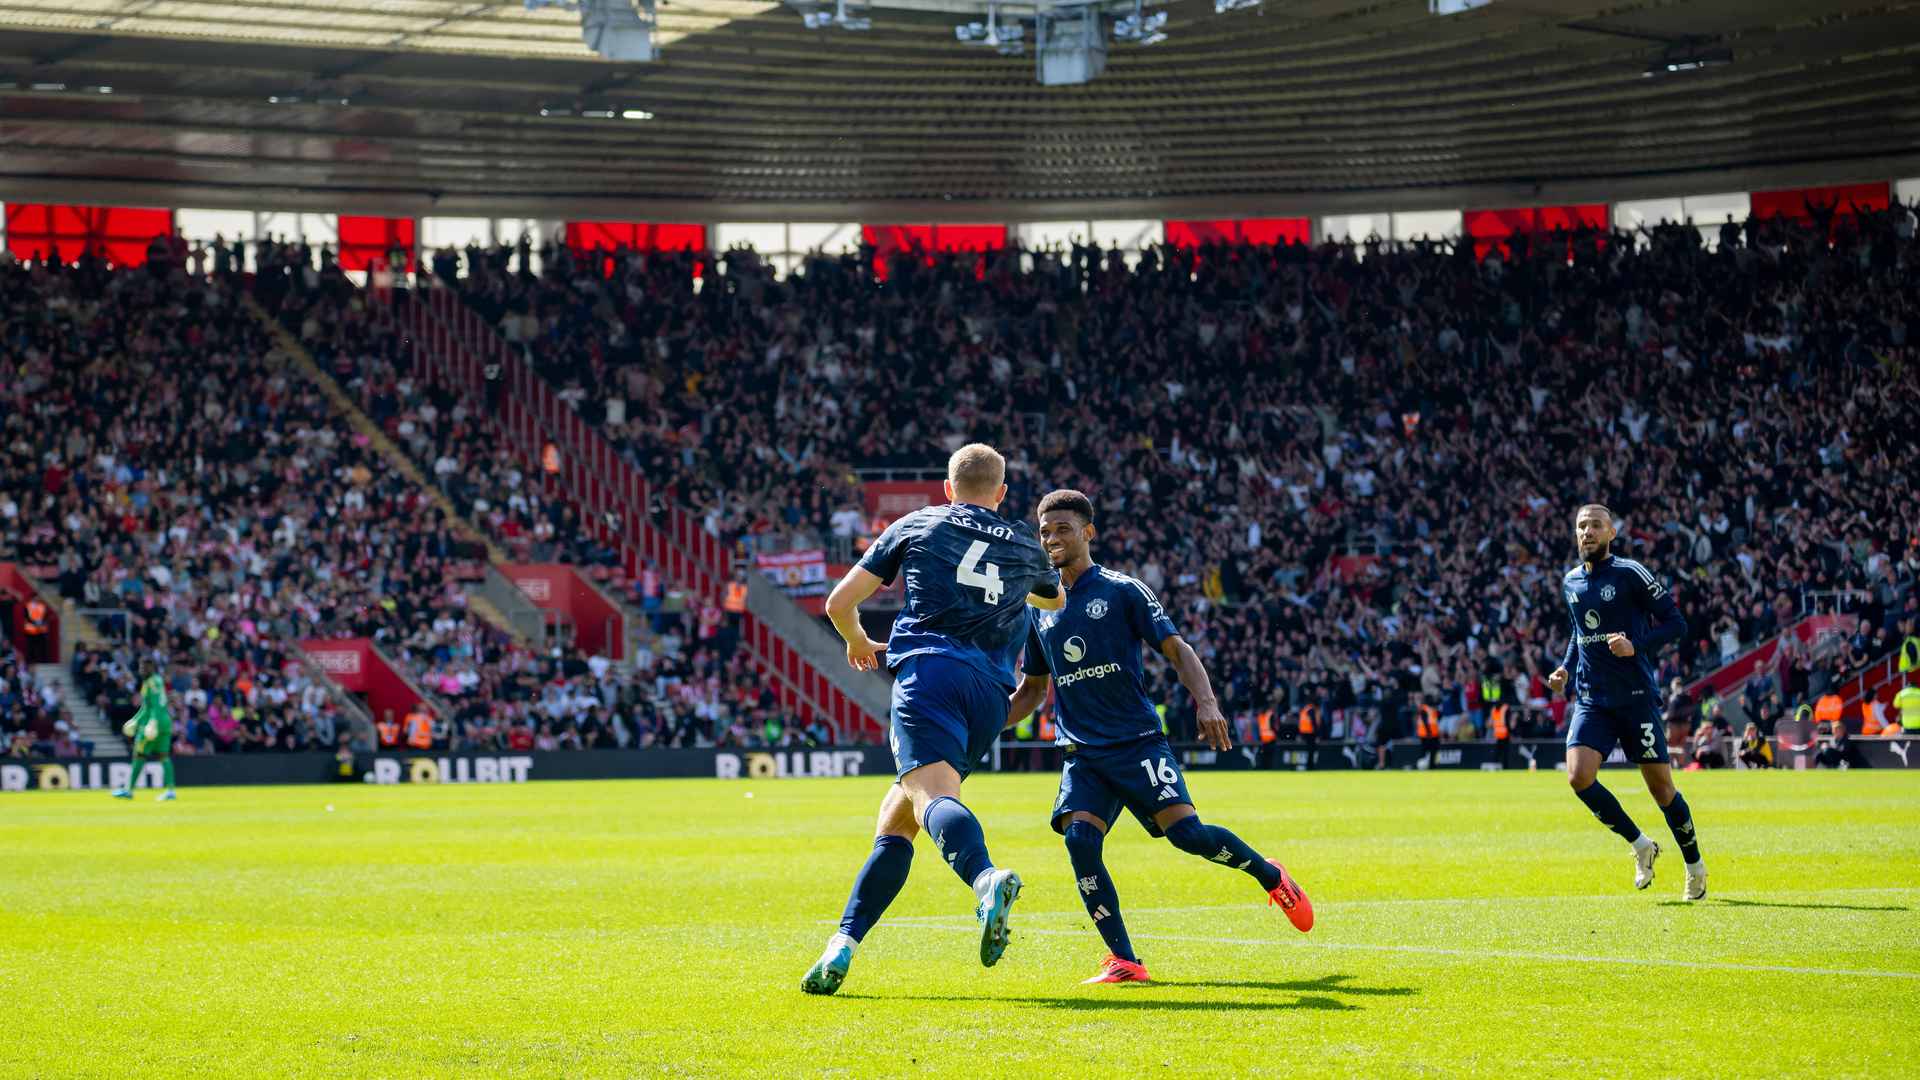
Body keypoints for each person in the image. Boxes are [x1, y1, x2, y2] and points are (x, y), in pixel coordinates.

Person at [1005, 489, 1311, 984]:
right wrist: (982, 724)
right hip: (1084, 753)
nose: (1052, 539)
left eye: (1063, 529)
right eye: (1044, 532)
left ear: (1088, 532)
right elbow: (1032, 690)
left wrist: (1206, 702)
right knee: (1080, 841)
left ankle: (1271, 876)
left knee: (1189, 837)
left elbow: (1177, 648)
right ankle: (1125, 960)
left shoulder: (1123, 590)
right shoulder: (1039, 609)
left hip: (1137, 742)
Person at [801, 444, 1063, 995]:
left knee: (930, 798)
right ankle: (841, 946)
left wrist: (857, 641)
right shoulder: (1024, 542)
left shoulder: (919, 524)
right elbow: (1054, 601)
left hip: (931, 673)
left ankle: (986, 878)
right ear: (1001, 493)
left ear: (947, 488)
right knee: (898, 821)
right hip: (990, 694)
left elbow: (838, 603)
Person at [1547, 504, 1707, 901]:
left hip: (1635, 699)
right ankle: (1640, 845)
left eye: (1595, 526)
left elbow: (1676, 623)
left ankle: (1694, 867)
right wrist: (1565, 668)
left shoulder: (1631, 572)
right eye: (1581, 526)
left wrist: (1636, 645)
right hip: (1592, 700)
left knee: (1662, 790)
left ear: (1611, 533)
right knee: (1578, 777)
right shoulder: (1570, 581)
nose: (1587, 532)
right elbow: (1578, 631)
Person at [112, 660, 177, 802]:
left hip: (153, 723)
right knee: (163, 756)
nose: (142, 670)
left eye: (145, 667)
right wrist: (135, 720)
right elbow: (147, 707)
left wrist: (152, 722)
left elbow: (154, 706)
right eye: (141, 667)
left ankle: (128, 790)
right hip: (165, 722)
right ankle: (171, 791)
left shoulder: (151, 683)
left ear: (152, 667)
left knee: (139, 755)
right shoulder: (157, 680)